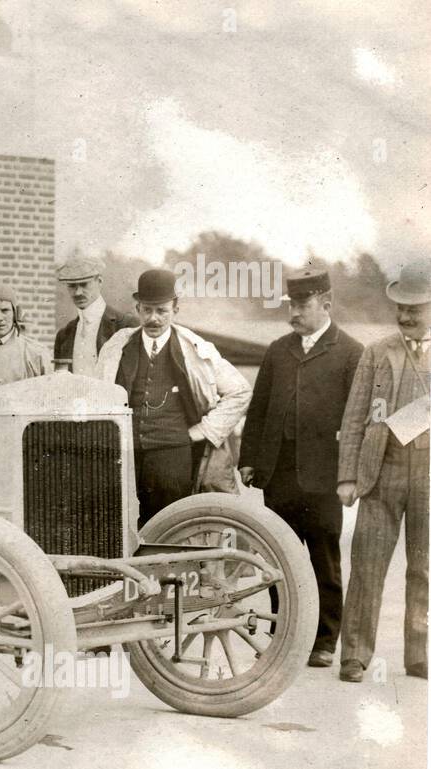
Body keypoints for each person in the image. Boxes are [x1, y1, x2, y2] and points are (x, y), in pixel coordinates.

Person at [239, 268, 364, 668]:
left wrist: (350, 474)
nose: (294, 312)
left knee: (323, 558)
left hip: (324, 477)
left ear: (325, 305)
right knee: (279, 556)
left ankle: (325, 641)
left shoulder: (351, 352)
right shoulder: (278, 350)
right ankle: (285, 632)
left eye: (303, 305)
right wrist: (249, 460)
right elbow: (258, 409)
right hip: (279, 473)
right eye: (291, 305)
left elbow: (358, 419)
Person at [336, 259, 431, 683]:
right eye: (402, 307)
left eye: (417, 308)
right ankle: (354, 656)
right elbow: (354, 417)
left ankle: (419, 655)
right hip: (381, 474)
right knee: (368, 566)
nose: (407, 316)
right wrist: (347, 476)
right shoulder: (377, 353)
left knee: (424, 569)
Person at [96, 268, 251, 524]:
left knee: (170, 525)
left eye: (161, 311)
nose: (153, 319)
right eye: (147, 310)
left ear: (175, 310)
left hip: (173, 456)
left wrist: (203, 430)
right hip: (125, 453)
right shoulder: (117, 348)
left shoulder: (196, 349)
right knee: (121, 525)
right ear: (137, 309)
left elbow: (240, 391)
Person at [53, 255, 139, 375]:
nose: (78, 292)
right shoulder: (63, 335)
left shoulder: (126, 325)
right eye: (72, 286)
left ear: (99, 281)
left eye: (84, 284)